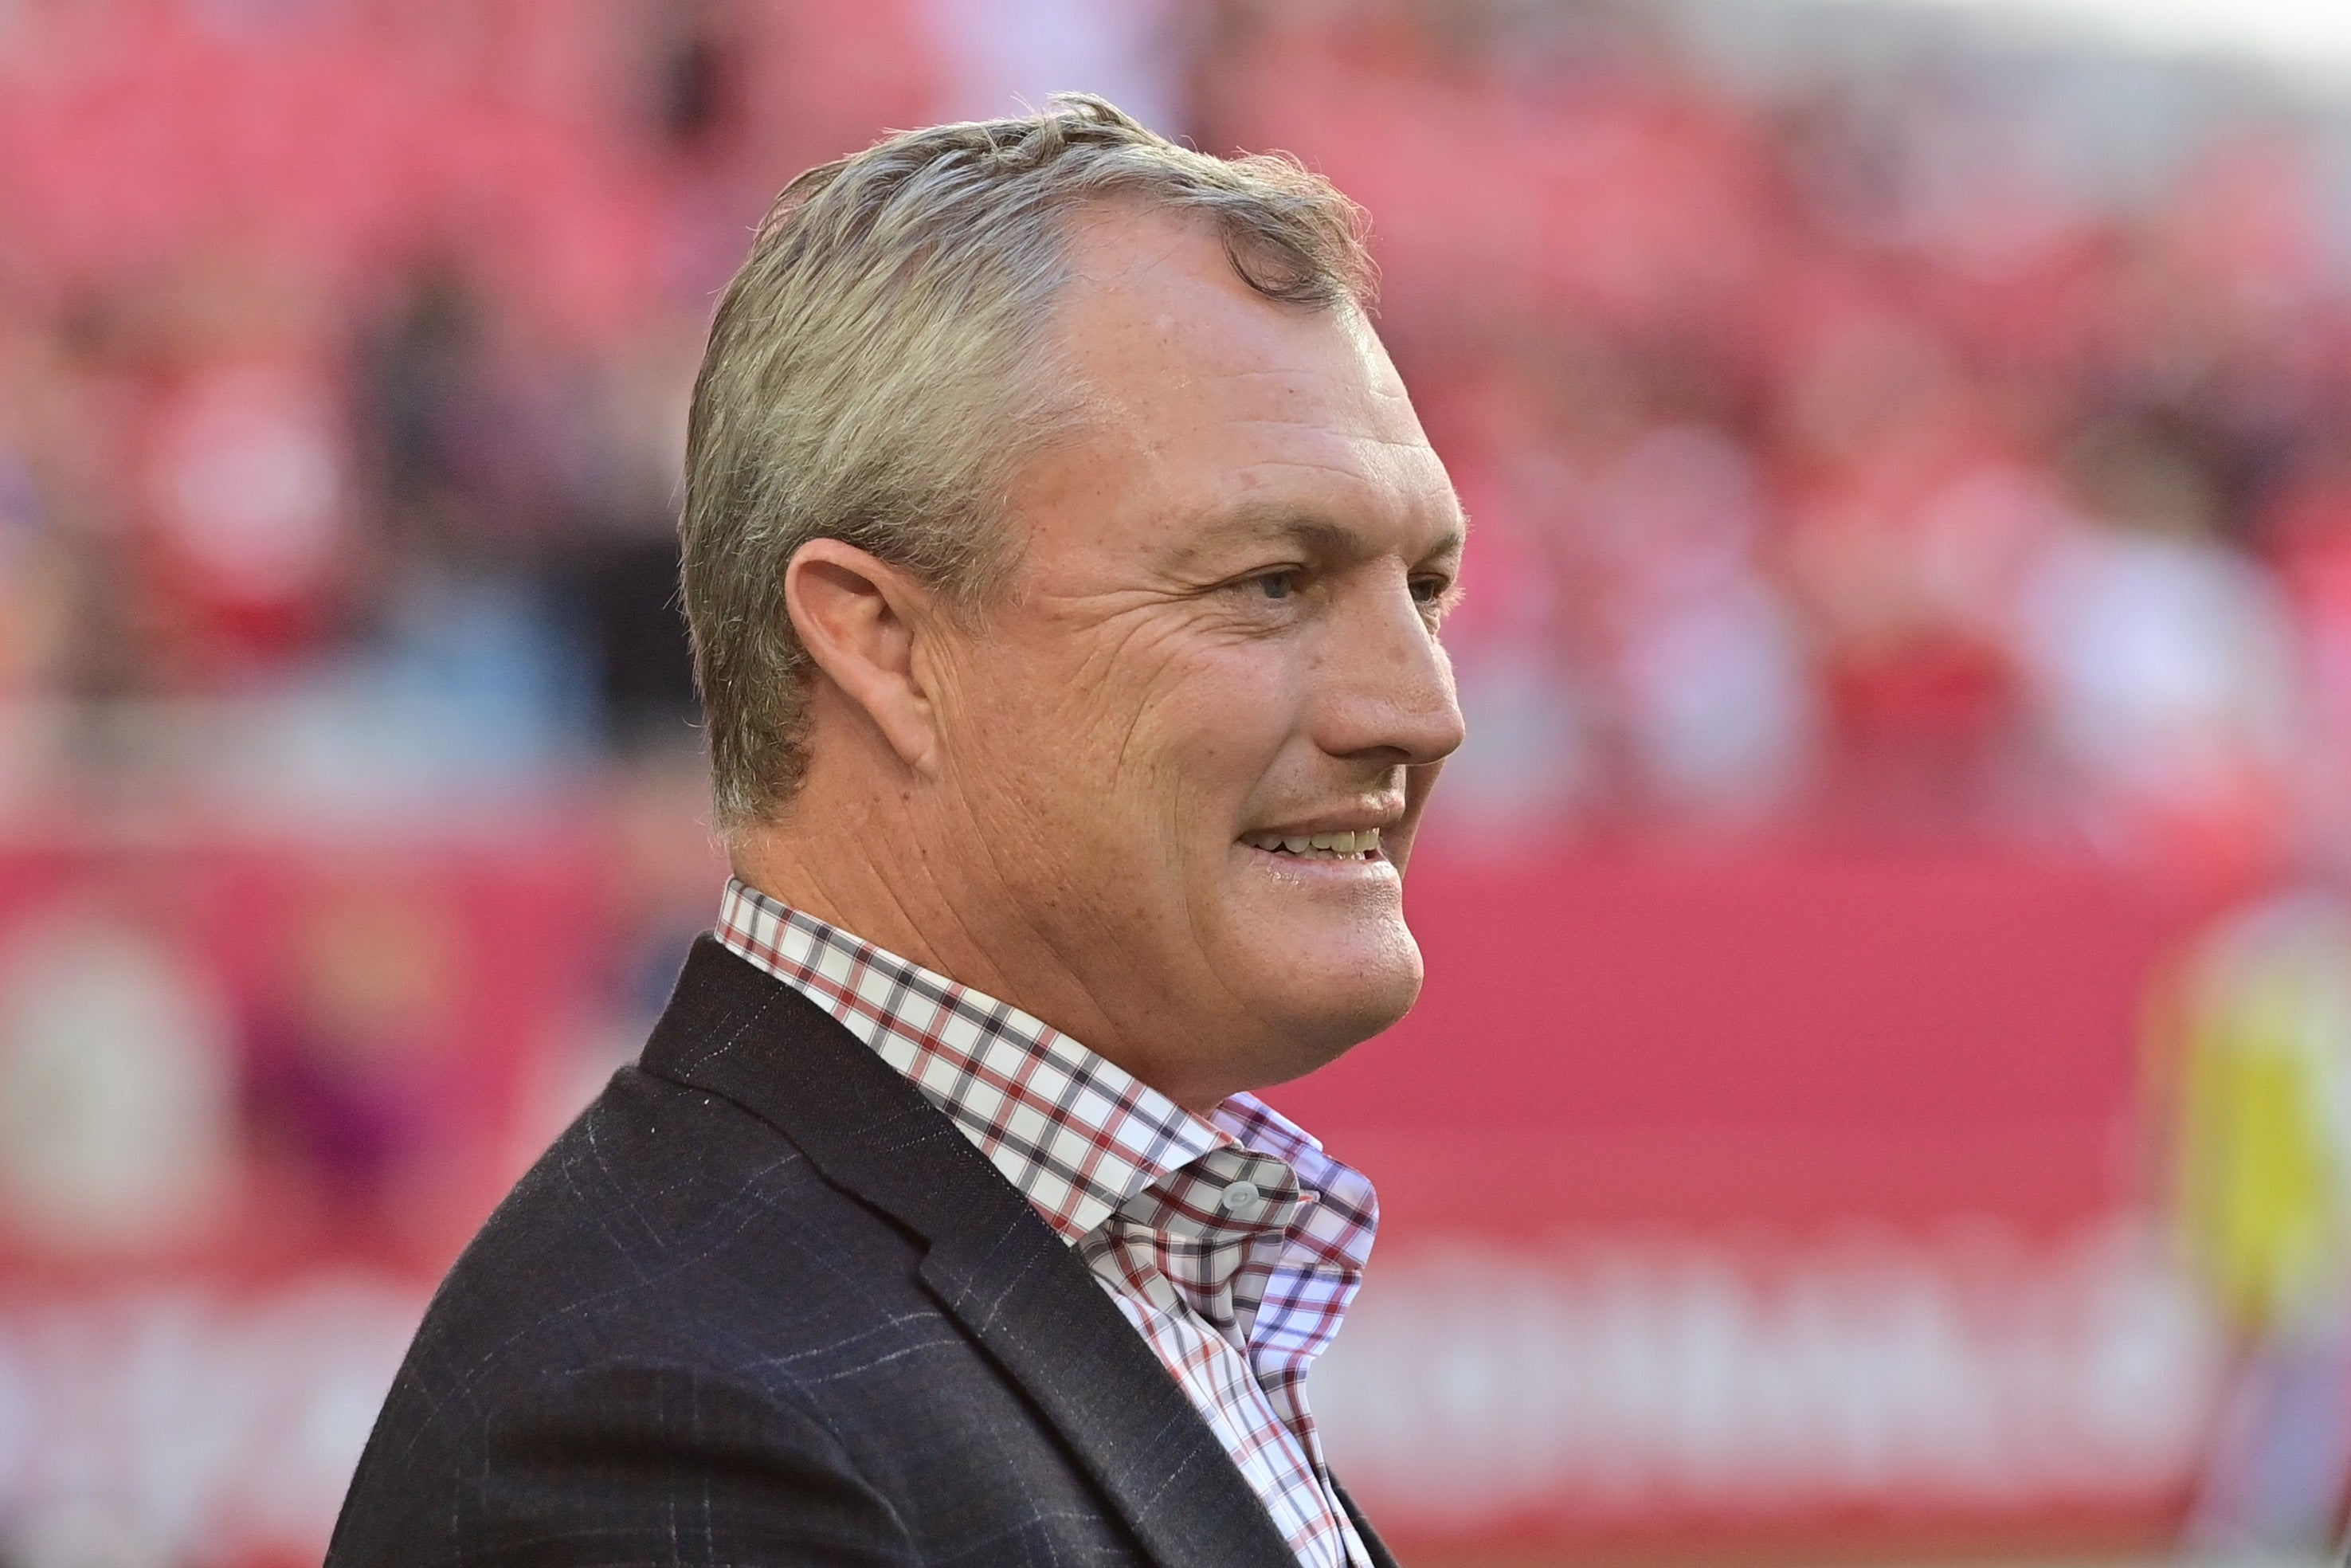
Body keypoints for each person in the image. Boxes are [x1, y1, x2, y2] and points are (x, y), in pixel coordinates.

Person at [327, 95, 1465, 1568]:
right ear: (883, 646)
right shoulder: (671, 1418)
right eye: (1269, 583)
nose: (1419, 709)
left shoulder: (1037, 1275)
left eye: (1425, 591)